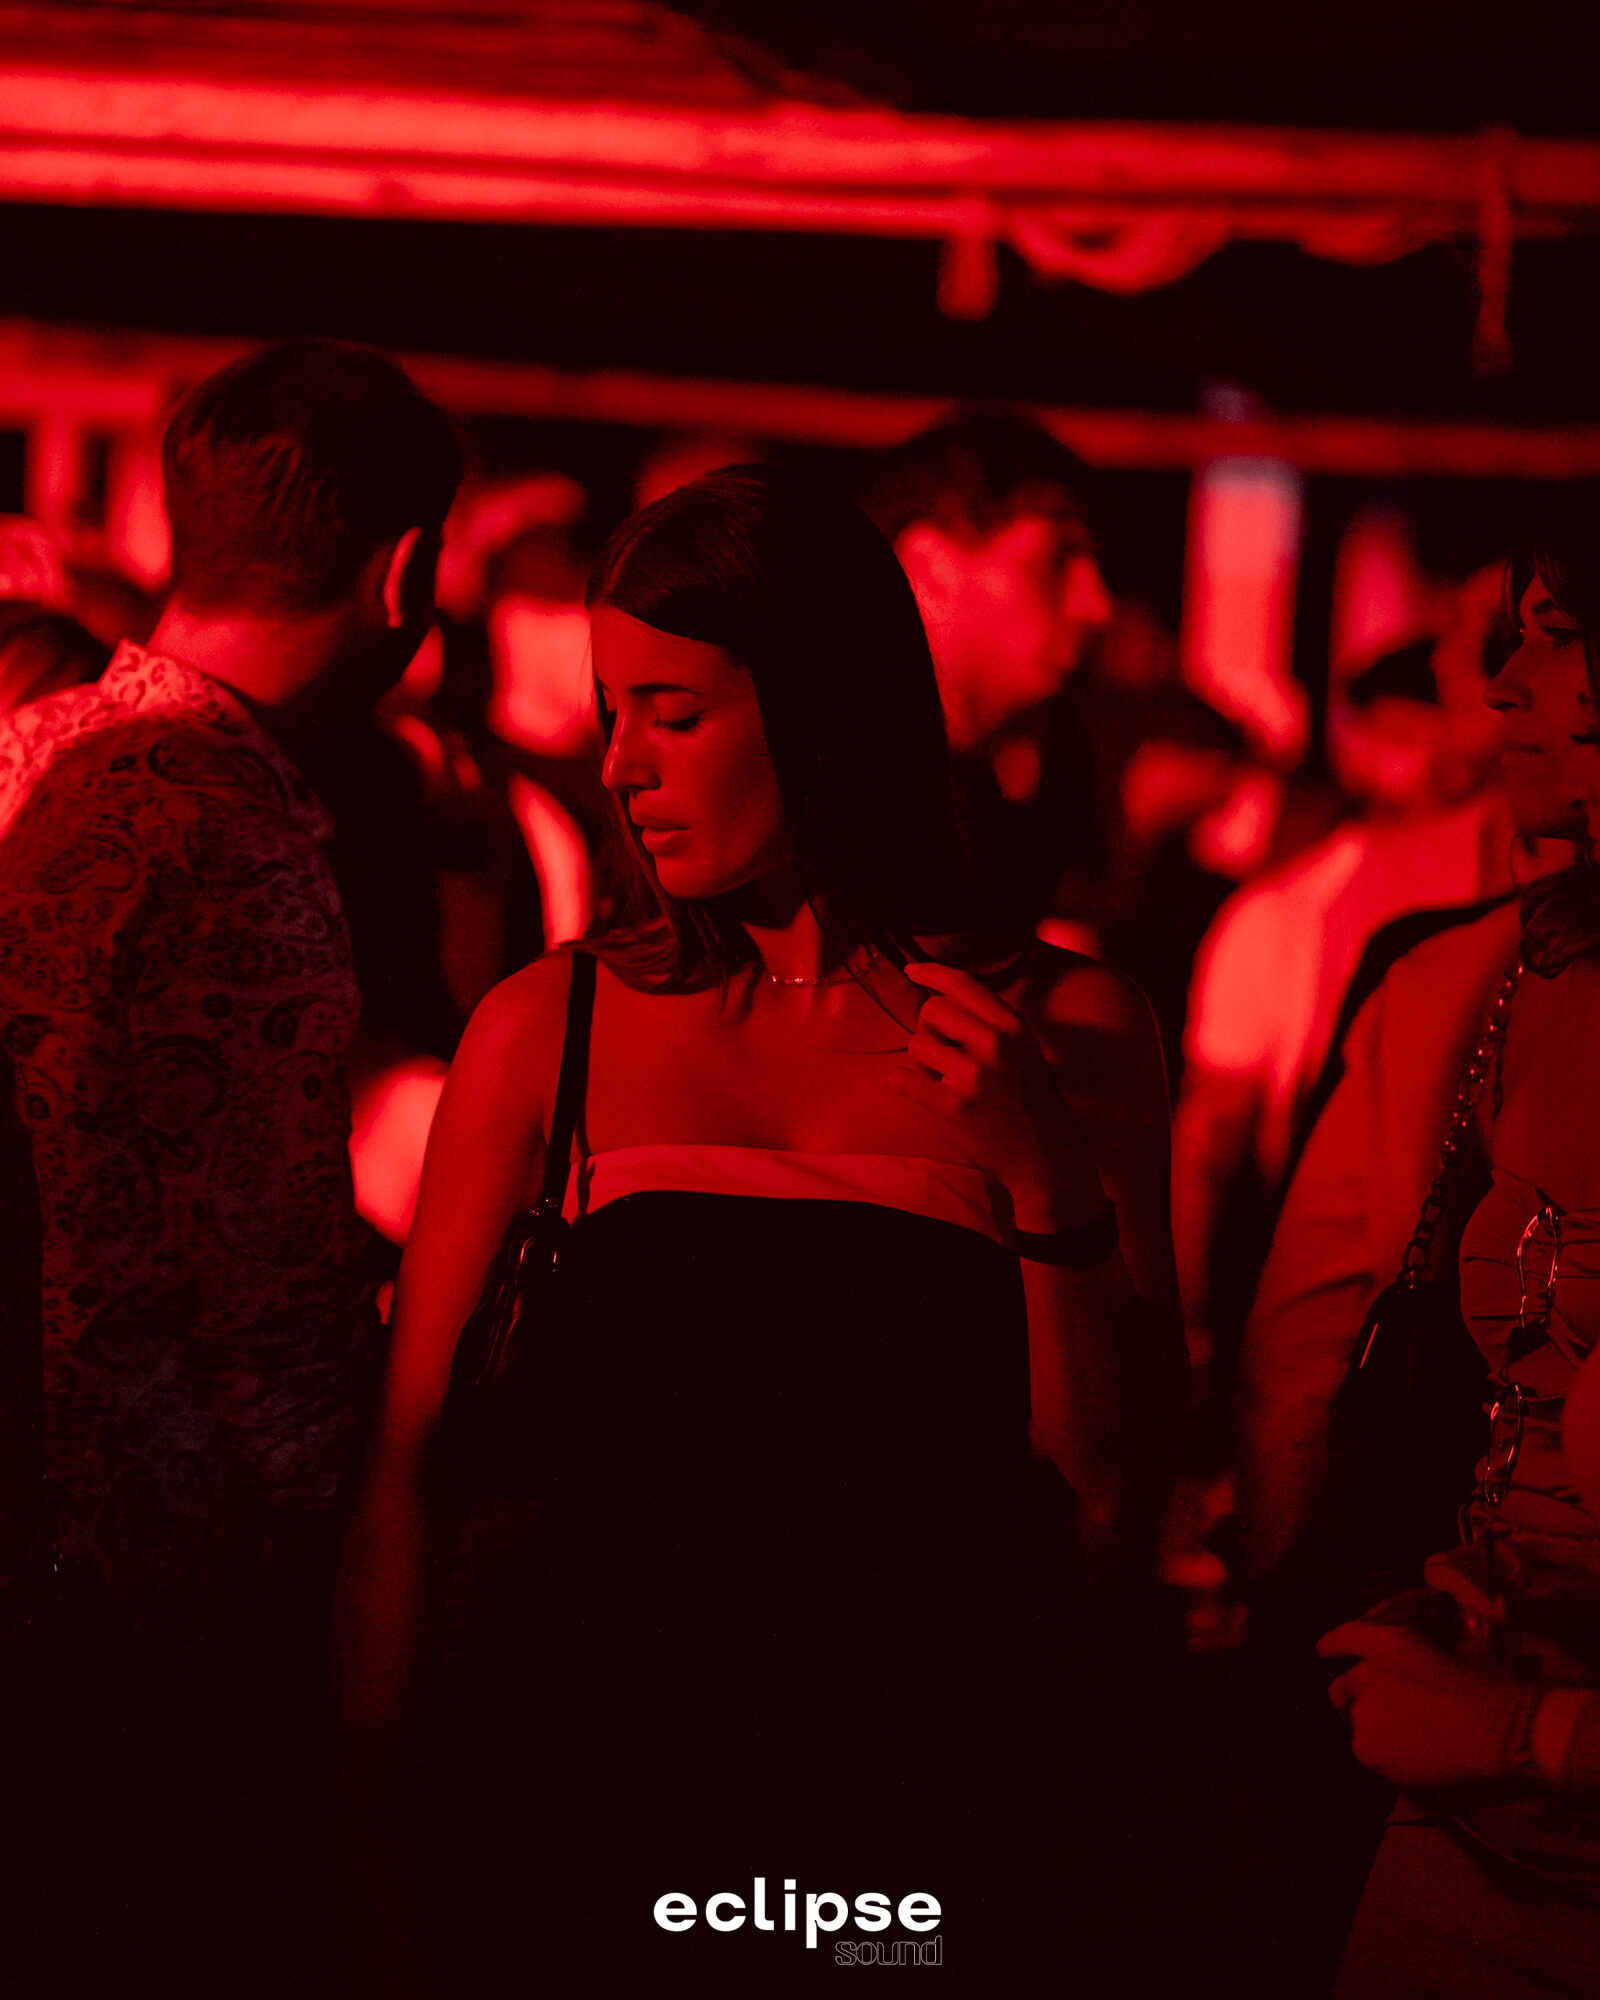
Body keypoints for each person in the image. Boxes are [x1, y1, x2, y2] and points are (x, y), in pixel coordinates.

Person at [336, 465, 1187, 1993]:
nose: (623, 766)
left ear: (821, 710)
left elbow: (1117, 1495)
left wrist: (1043, 1182)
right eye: (613, 711)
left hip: (893, 1819)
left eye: (674, 714)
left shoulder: (1060, 1031)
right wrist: (377, 1833)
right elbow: (412, 1466)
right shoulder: (554, 1028)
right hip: (575, 1801)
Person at [0, 338, 460, 1992]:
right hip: (137, 1610)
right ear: (405, 574)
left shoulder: (26, 749)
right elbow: (270, 1314)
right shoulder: (236, 832)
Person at [1310, 495, 1600, 1998]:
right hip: (1463, 1811)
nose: (1503, 687)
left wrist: (1529, 1734)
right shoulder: (1531, 982)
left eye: (1554, 639)